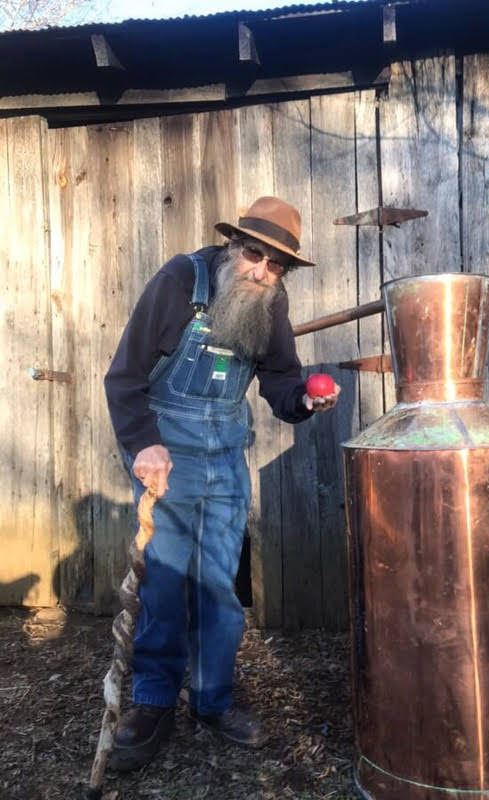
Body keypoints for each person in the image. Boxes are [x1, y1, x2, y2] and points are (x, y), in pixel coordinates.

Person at [104, 196, 340, 772]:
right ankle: (154, 703)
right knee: (164, 586)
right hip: (169, 458)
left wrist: (304, 399)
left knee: (218, 589)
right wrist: (143, 444)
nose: (262, 271)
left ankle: (212, 700)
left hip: (227, 459)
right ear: (234, 245)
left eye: (277, 264)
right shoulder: (179, 282)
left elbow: (280, 377)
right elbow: (125, 377)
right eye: (255, 254)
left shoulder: (269, 302)